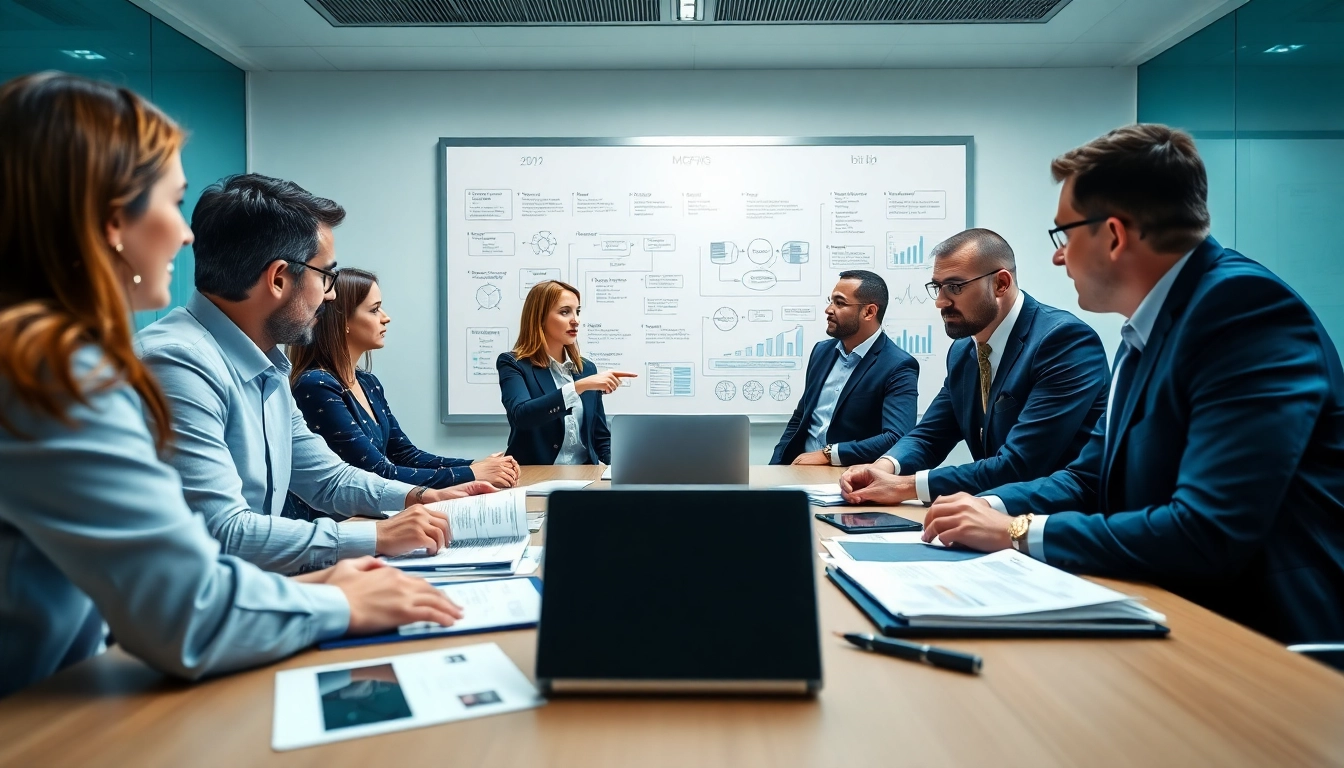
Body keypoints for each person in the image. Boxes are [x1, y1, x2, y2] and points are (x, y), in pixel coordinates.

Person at [0, 73, 463, 698]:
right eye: (171, 201)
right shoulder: (79, 372)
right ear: (114, 222)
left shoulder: (264, 363)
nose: (185, 235)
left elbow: (321, 477)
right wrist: (346, 589)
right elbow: (191, 602)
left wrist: (405, 506)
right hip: (47, 712)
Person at [917, 124, 1344, 644]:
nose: (1058, 257)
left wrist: (1017, 533)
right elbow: (1089, 478)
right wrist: (993, 508)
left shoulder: (1242, 310)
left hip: (1259, 638)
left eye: (1065, 236)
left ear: (1114, 236)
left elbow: (1208, 530)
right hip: (1172, 609)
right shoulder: (1146, 327)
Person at [137, 173, 493, 576]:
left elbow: (326, 479)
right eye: (326, 275)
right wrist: (378, 538)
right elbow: (223, 533)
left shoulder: (266, 363)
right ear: (278, 278)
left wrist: (418, 497)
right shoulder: (177, 364)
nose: (332, 294)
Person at [839, 230, 1109, 503]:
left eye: (955, 287)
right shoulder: (963, 351)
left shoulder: (1063, 341)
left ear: (1001, 284)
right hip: (991, 515)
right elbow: (929, 436)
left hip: (1059, 524)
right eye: (938, 287)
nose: (940, 302)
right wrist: (882, 468)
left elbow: (1020, 465)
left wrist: (906, 486)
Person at [285, 268, 518, 519]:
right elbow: (379, 471)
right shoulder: (316, 385)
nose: (386, 318)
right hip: (336, 529)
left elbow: (405, 455)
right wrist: (473, 474)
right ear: (343, 321)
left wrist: (475, 465)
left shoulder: (367, 382)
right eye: (374, 310)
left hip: (370, 519)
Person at [771, 270, 918, 466]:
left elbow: (896, 437)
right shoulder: (821, 351)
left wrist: (829, 454)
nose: (829, 310)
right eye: (831, 301)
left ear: (869, 312)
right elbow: (801, 417)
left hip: (847, 477)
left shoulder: (898, 365)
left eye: (839, 303)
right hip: (799, 470)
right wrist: (774, 467)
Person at [496, 280, 633, 465]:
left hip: (584, 477)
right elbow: (521, 417)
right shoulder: (513, 364)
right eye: (564, 312)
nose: (575, 320)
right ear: (540, 318)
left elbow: (600, 438)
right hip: (535, 477)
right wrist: (578, 387)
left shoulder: (587, 369)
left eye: (577, 311)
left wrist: (626, 469)